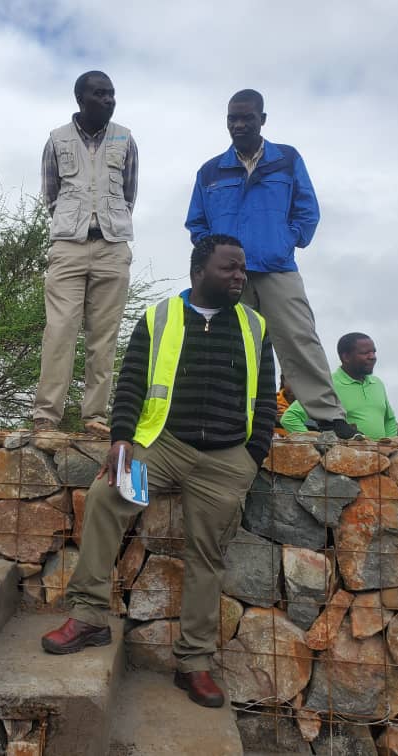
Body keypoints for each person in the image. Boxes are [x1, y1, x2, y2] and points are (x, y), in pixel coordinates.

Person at [41, 234, 276, 709]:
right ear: (199, 272)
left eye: (241, 269)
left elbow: (267, 397)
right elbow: (130, 379)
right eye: (229, 268)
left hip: (225, 460)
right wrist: (122, 439)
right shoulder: (160, 316)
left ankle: (194, 663)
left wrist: (253, 455)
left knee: (207, 557)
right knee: (107, 498)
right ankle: (87, 617)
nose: (239, 277)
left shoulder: (254, 325)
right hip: (162, 446)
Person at [185, 89, 355, 441]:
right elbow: (196, 222)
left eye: (247, 117)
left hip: (277, 267)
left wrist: (286, 240)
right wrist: (211, 256)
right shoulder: (211, 170)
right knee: (231, 343)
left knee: (298, 337)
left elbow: (307, 210)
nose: (239, 124)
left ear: (263, 119)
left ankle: (327, 416)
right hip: (228, 275)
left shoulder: (287, 160)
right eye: (233, 118)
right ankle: (232, 414)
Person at [32, 70, 138, 437]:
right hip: (68, 246)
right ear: (81, 99)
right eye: (99, 94)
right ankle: (47, 415)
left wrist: (108, 224)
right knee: (60, 329)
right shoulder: (56, 139)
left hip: (112, 246)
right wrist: (74, 224)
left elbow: (129, 194)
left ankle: (95, 416)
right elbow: (51, 194)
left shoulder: (125, 138)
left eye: (111, 93)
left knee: (103, 336)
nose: (108, 100)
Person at [281, 333, 398, 440]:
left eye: (374, 352)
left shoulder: (377, 383)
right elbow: (290, 418)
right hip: (345, 460)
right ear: (346, 357)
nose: (372, 356)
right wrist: (317, 444)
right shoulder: (327, 386)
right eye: (365, 353)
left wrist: (389, 446)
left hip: (379, 460)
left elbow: (389, 420)